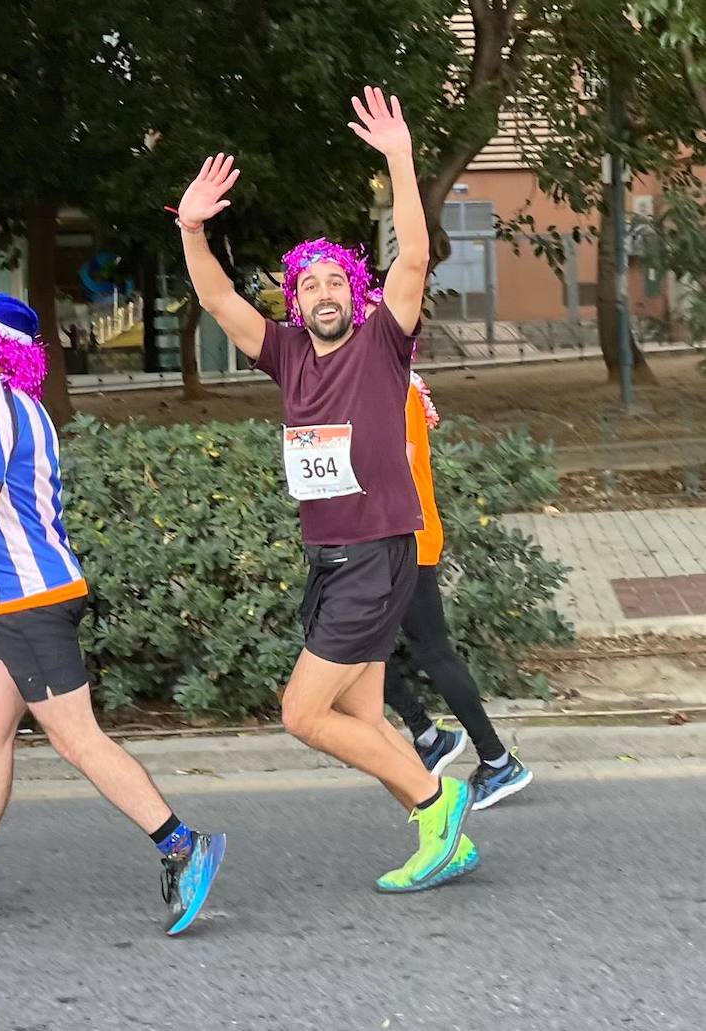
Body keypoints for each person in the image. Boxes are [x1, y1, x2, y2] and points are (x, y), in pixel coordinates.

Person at [176, 86, 477, 892]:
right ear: (295, 299)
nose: (322, 294)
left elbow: (413, 256)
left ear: (356, 291)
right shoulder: (284, 354)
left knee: (303, 712)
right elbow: (213, 297)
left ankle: (436, 798)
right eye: (307, 285)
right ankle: (439, 834)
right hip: (330, 554)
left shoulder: (385, 341)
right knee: (364, 716)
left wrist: (400, 158)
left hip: (378, 549)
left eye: (333, 282)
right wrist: (192, 227)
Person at [0, 294, 226, 935]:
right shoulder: (25, 407)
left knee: (75, 738)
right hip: (22, 597)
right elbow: (6, 515)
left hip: (30, 604)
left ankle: (182, 845)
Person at [383, 365, 533, 808]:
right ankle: (432, 737)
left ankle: (493, 758)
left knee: (421, 649)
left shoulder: (391, 379)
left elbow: (400, 458)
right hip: (389, 538)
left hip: (401, 538)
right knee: (352, 646)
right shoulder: (379, 374)